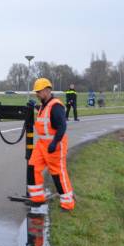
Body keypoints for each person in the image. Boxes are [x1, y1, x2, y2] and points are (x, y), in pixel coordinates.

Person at [27, 78, 75, 212]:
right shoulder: (44, 105)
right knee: (32, 167)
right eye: (36, 92)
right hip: (42, 145)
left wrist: (54, 143)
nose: (37, 94)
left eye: (39, 92)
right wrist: (35, 107)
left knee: (58, 174)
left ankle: (67, 203)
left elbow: (62, 126)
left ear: (47, 91)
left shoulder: (56, 106)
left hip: (55, 145)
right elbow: (45, 116)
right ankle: (37, 198)